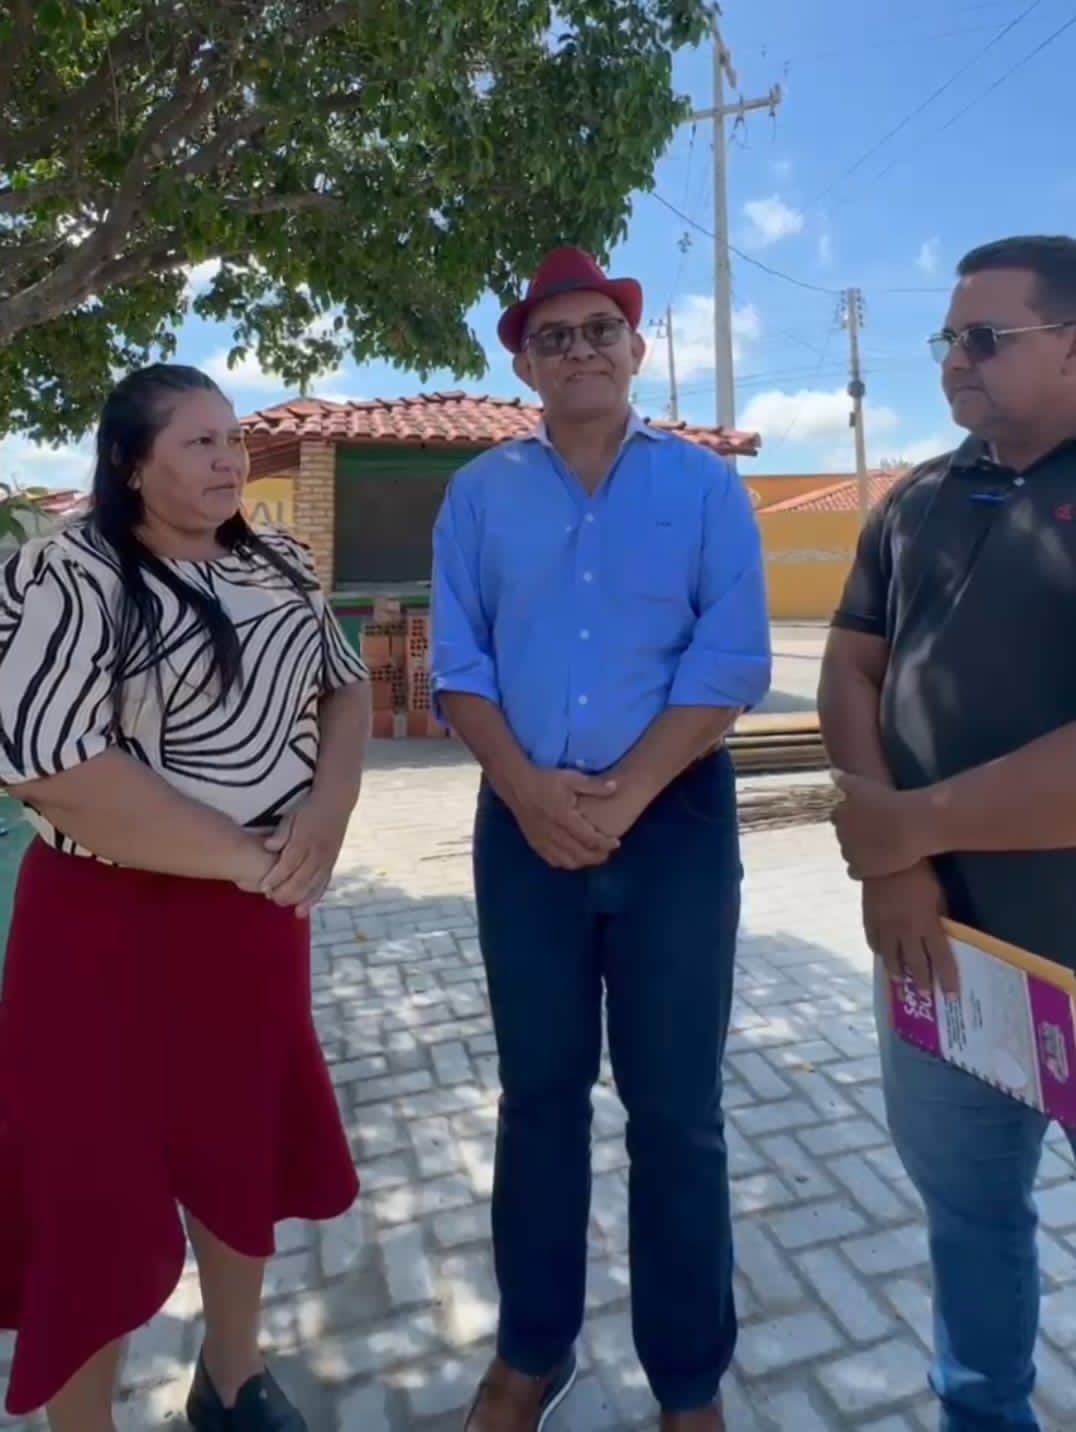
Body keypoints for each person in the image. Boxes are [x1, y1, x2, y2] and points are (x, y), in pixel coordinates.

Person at [430, 246, 771, 1432]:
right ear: (524, 364)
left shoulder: (703, 487)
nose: (578, 349)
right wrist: (527, 793)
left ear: (635, 347)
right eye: (553, 336)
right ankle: (532, 1349)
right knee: (537, 1096)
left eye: (597, 330)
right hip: (519, 818)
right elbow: (457, 664)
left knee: (676, 1111)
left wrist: (621, 797)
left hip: (672, 820)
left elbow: (730, 660)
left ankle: (687, 1379)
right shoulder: (478, 493)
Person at [0, 364, 370, 1431]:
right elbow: (50, 767)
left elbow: (343, 687)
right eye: (199, 442)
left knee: (238, 1143)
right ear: (130, 462)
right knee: (89, 1189)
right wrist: (248, 857)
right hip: (100, 928)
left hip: (250, 928)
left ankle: (232, 1377)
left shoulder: (280, 560)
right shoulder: (66, 572)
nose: (228, 459)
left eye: (232, 438)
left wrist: (328, 813)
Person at [819, 234, 1076, 1431]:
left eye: (985, 337)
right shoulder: (914, 498)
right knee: (967, 1221)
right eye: (946, 337)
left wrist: (896, 829)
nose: (952, 359)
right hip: (941, 952)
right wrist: (900, 871)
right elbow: (848, 667)